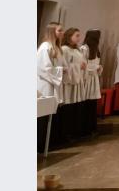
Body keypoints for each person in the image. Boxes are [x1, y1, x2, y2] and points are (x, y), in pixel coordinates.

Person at [37, 22, 65, 151]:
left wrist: (62, 70)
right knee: (43, 114)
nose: (62, 33)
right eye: (59, 30)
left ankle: (50, 142)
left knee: (52, 113)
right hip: (46, 84)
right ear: (52, 32)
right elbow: (43, 68)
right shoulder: (45, 47)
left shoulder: (57, 48)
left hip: (53, 82)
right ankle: (40, 144)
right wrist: (60, 70)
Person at [59, 28, 86, 142]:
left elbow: (79, 63)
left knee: (75, 108)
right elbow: (63, 66)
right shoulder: (64, 49)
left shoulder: (77, 50)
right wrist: (77, 67)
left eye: (79, 36)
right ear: (69, 36)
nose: (79, 38)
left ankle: (74, 131)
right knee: (68, 108)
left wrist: (83, 66)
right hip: (69, 83)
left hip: (77, 82)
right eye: (77, 36)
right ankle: (66, 134)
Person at [80, 29, 103, 137]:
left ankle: (92, 127)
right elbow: (83, 65)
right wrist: (95, 68)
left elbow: (96, 63)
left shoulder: (96, 49)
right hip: (87, 79)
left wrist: (99, 68)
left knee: (92, 103)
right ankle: (85, 129)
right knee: (86, 103)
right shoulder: (84, 48)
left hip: (93, 79)